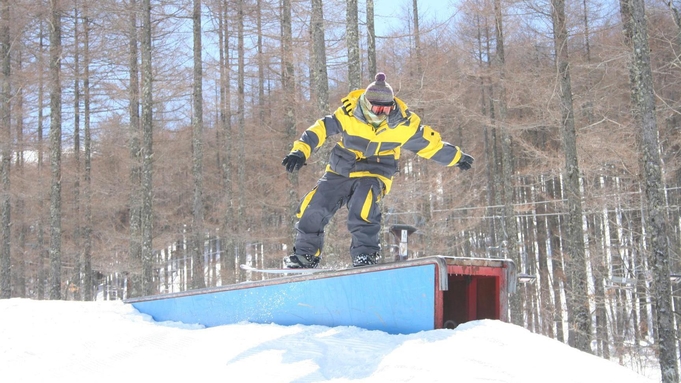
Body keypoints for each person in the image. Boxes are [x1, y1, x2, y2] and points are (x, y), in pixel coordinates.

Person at [282, 73, 474, 268]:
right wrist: (300, 151)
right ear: (366, 104)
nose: (382, 113)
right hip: (341, 169)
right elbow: (319, 129)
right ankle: (306, 255)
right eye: (377, 108)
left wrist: (457, 157)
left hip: (375, 172)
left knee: (362, 206)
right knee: (313, 207)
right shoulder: (349, 114)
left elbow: (431, 145)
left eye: (386, 108)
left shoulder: (403, 125)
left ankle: (365, 255)